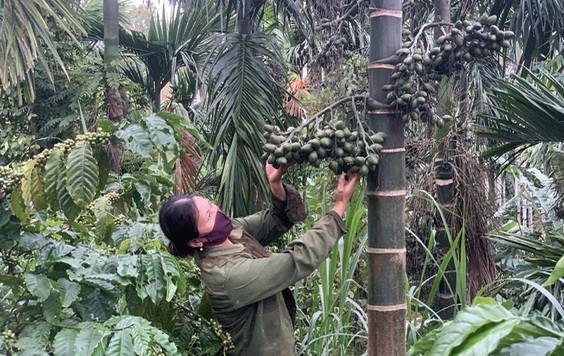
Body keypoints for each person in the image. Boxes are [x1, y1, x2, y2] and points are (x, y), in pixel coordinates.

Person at [158, 162, 360, 355]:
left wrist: (275, 183)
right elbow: (297, 260)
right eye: (209, 216)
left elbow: (277, 219)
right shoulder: (227, 276)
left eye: (211, 205)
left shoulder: (227, 234)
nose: (217, 212)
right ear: (195, 241)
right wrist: (339, 207)